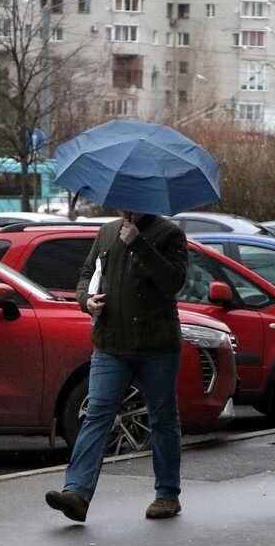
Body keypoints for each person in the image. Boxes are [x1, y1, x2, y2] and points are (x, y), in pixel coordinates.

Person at [45, 209, 188, 522]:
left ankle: (167, 494)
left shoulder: (169, 234)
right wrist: (86, 300)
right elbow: (87, 274)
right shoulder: (107, 232)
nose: (123, 209)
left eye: (130, 203)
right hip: (111, 344)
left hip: (157, 347)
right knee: (96, 414)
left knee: (162, 418)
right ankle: (77, 493)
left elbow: (173, 281)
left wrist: (139, 245)